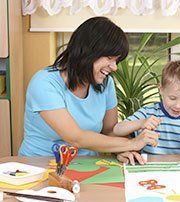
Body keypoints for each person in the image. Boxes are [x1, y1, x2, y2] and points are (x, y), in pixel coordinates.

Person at [19, 17, 158, 161]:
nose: (114, 67)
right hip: (40, 165)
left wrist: (120, 150)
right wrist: (130, 143)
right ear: (87, 52)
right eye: (109, 58)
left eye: (116, 60)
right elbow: (76, 138)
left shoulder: (106, 83)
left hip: (89, 166)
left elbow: (109, 131)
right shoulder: (44, 83)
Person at [113, 60, 180, 155]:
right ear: (161, 90)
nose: (177, 105)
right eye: (172, 98)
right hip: (151, 170)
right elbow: (117, 129)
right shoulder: (148, 113)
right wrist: (141, 123)